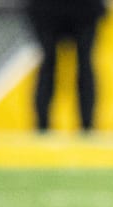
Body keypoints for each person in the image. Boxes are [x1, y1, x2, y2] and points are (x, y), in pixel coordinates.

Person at [25, 0, 108, 133]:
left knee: (52, 65)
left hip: (57, 9)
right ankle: (85, 127)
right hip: (68, 9)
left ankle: (44, 127)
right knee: (58, 64)